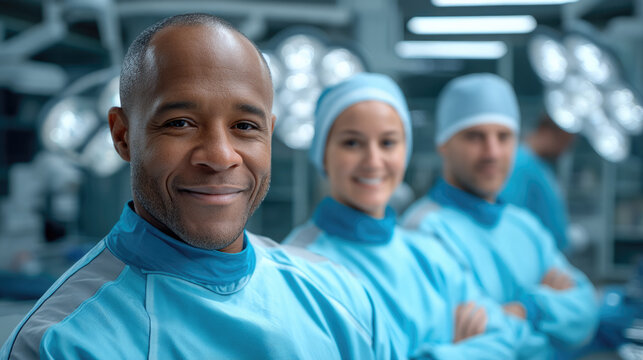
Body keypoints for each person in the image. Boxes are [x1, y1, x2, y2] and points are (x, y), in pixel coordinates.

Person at [1, 14, 399, 359]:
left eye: (245, 127)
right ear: (122, 136)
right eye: (180, 123)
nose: (220, 156)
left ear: (270, 134)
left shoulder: (341, 299)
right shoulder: (63, 345)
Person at [284, 73, 523, 359]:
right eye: (352, 143)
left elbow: (506, 337)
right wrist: (458, 352)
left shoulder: (430, 257)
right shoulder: (298, 267)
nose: (373, 162)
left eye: (388, 143)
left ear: (405, 152)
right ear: (323, 153)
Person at [402, 73, 599, 358]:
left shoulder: (525, 227)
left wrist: (526, 309)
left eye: (504, 137)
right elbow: (475, 343)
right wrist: (549, 320)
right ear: (443, 143)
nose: (492, 152)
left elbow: (586, 312)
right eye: (474, 137)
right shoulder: (423, 231)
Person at [500, 114, 575, 251]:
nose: (564, 150)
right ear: (547, 132)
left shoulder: (539, 166)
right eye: (564, 142)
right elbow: (509, 216)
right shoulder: (518, 164)